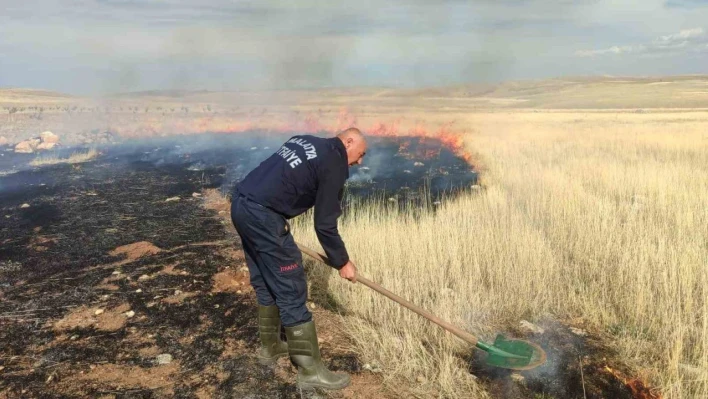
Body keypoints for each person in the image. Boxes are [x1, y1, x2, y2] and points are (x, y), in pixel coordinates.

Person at [230, 128, 367, 390]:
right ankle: (310, 371)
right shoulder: (334, 163)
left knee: (264, 279)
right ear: (348, 142)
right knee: (291, 287)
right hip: (264, 216)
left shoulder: (305, 140)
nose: (360, 162)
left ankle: (270, 347)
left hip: (241, 204)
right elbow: (325, 225)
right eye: (361, 154)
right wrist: (342, 262)